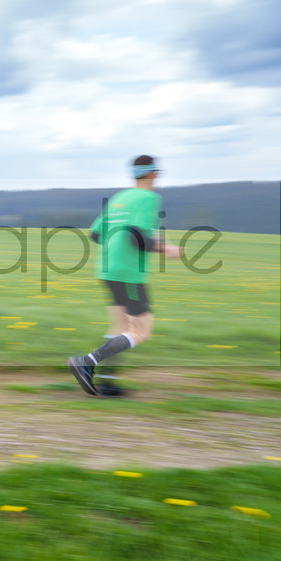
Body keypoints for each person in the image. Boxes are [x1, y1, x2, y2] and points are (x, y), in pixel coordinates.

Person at [68, 155, 182, 397]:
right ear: (154, 174)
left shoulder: (120, 197)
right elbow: (136, 237)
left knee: (121, 326)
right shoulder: (149, 198)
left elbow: (96, 234)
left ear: (135, 173)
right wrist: (166, 248)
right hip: (129, 272)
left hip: (108, 269)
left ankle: (108, 383)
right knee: (141, 331)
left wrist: (117, 244)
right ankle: (87, 362)